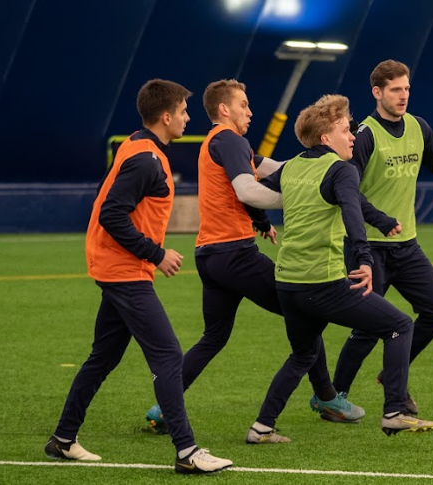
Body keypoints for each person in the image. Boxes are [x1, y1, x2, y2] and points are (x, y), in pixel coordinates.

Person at [144, 79, 363, 435]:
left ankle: (163, 407)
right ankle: (326, 396)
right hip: (235, 255)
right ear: (224, 110)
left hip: (209, 255)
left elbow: (274, 168)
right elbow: (246, 189)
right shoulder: (231, 139)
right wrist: (308, 195)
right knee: (304, 309)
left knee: (213, 337)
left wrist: (314, 165)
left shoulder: (217, 144)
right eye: (244, 104)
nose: (250, 111)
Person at [44, 79, 233, 474]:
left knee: (103, 357)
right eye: (183, 111)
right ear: (165, 117)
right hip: (123, 270)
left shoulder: (137, 146)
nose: (188, 117)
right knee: (167, 356)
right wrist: (157, 253)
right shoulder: (145, 159)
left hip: (116, 267)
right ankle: (187, 452)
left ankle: (63, 439)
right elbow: (112, 213)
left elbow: (110, 205)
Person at [246, 94, 433, 443]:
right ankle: (394, 412)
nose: (352, 136)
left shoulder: (292, 167)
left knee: (303, 355)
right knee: (399, 326)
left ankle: (261, 427)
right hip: (323, 283)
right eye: (344, 130)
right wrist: (365, 259)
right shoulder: (341, 169)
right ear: (325, 139)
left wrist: (260, 220)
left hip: (288, 283)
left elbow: (252, 194)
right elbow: (351, 212)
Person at [329, 59, 433, 416]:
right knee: (366, 329)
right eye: (395, 89)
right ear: (377, 93)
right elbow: (348, 191)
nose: (403, 95)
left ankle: (391, 374)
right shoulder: (364, 135)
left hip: (406, 246)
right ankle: (333, 397)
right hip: (368, 246)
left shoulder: (418, 126)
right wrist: (380, 219)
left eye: (406, 88)